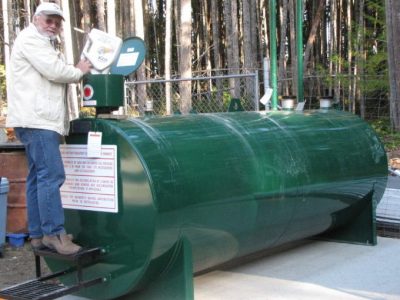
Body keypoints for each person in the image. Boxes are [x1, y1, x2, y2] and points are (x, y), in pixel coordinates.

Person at [6, 2, 92, 255]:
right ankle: (55, 234)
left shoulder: (38, 41)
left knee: (37, 177)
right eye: (48, 20)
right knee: (52, 176)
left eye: (57, 21)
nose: (53, 25)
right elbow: (55, 72)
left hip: (33, 119)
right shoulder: (32, 40)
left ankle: (38, 234)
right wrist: (79, 70)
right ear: (36, 19)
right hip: (38, 120)